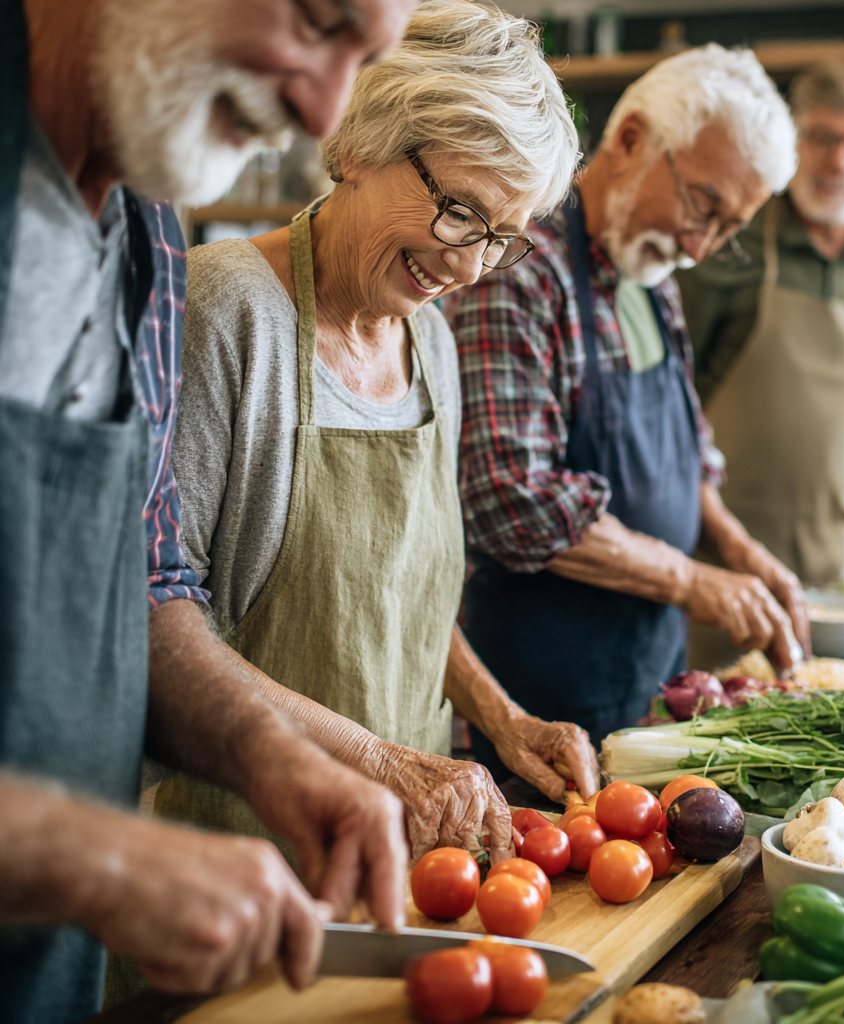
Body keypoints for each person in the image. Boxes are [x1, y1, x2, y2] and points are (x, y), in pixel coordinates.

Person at [0, 0, 418, 1020]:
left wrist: (266, 753)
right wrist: (95, 858)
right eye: (319, 20)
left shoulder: (146, 229)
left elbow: (138, 587)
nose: (322, 113)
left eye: (361, 59)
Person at [159, 0, 599, 868]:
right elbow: (158, 631)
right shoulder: (222, 314)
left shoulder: (430, 341)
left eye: (504, 238)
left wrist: (499, 718)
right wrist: (379, 762)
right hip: (242, 857)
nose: (470, 266)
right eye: (461, 212)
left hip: (413, 859)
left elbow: (405, 604)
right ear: (362, 140)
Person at [445, 45, 811, 785]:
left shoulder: (650, 275)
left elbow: (689, 452)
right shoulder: (519, 268)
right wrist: (696, 583)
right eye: (703, 206)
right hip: (538, 700)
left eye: (727, 228)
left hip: (648, 677)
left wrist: (738, 551)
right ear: (634, 138)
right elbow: (510, 500)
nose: (700, 245)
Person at [677, 61, 844, 586]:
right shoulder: (730, 242)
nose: (838, 160)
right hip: (716, 564)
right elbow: (667, 403)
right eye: (822, 138)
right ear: (791, 142)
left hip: (836, 572)